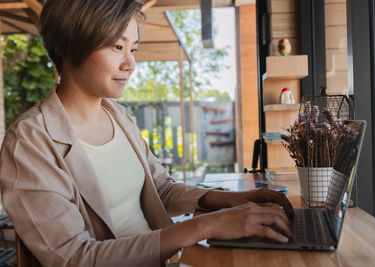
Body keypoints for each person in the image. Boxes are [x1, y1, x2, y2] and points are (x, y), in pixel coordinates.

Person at [0, 0, 294, 266]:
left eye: (133, 49)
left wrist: (232, 199)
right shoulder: (29, 142)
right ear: (70, 45)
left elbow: (161, 189)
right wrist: (205, 226)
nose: (130, 65)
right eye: (117, 46)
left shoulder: (119, 116)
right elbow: (75, 258)